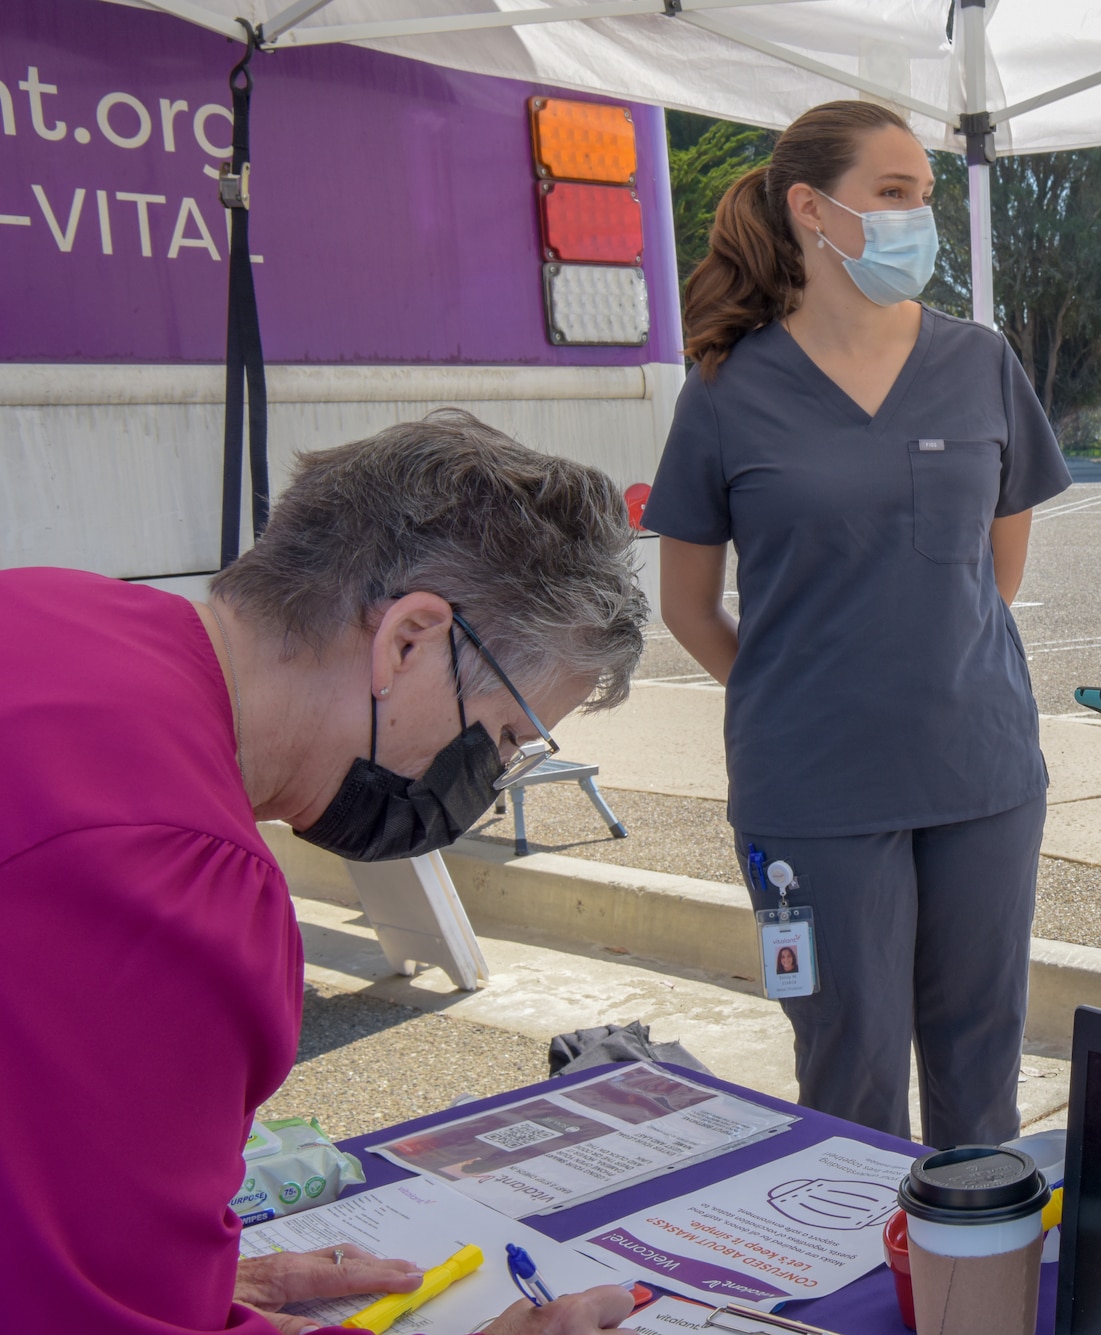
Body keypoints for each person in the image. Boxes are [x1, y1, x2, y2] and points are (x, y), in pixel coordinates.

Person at [0, 412, 648, 1335]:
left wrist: (165, 1269)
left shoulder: (50, 605)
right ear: (410, 640)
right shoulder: (176, 871)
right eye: (503, 737)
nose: (485, 785)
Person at [647, 102, 1070, 1149]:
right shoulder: (725, 391)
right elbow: (688, 606)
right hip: (813, 792)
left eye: (923, 196)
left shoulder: (979, 363)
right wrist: (797, 689)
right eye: (892, 194)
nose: (915, 218)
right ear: (811, 208)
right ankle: (856, 1294)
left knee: (980, 1070)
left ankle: (978, 1291)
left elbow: (995, 569)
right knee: (849, 1077)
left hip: (978, 774)